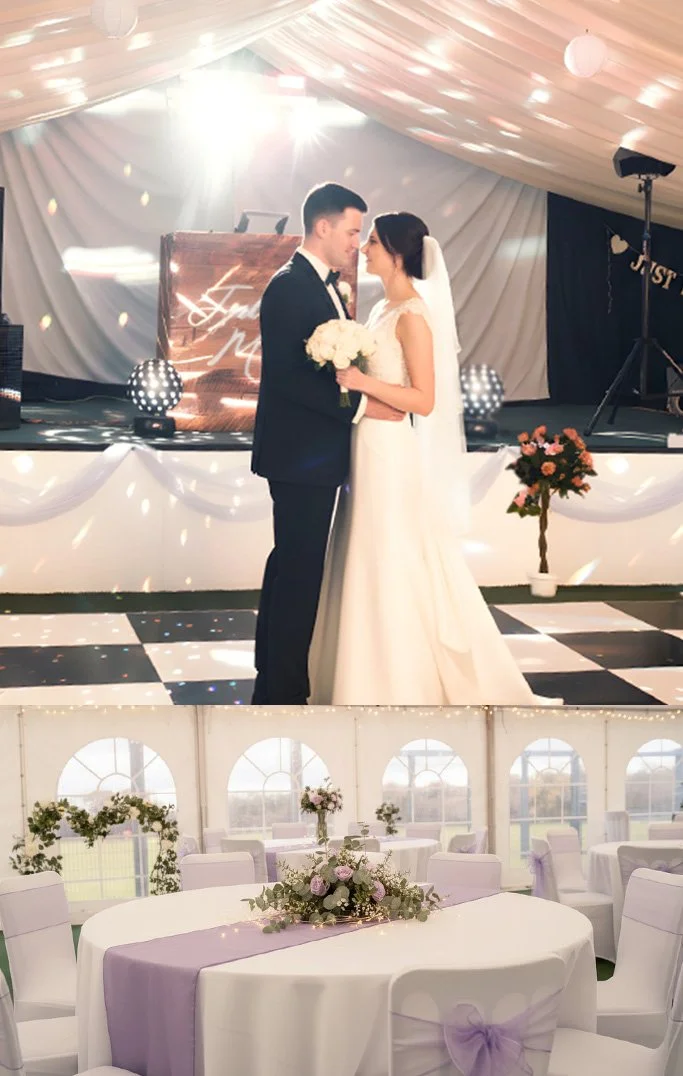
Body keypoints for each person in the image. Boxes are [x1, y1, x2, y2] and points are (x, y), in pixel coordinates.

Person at [309, 211, 552, 705]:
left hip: (390, 450)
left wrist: (360, 382)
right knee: (365, 546)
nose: (364, 249)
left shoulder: (414, 315)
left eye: (373, 242)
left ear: (397, 254)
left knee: (393, 549)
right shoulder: (380, 309)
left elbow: (424, 399)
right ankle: (361, 668)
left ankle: (398, 677)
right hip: (366, 443)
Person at [251, 183, 403, 705]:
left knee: (291, 566)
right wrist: (365, 407)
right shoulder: (291, 285)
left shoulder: (324, 285)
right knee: (298, 573)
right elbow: (293, 380)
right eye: (352, 231)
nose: (357, 242)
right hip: (299, 457)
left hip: (309, 456)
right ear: (322, 227)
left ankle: (276, 678)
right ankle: (284, 691)